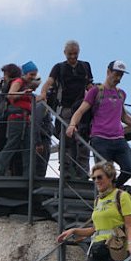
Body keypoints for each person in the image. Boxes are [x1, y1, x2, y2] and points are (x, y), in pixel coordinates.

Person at [65, 61, 131, 187]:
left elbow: (124, 117)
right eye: (116, 74)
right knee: (104, 173)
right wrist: (72, 125)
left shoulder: (121, 94)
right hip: (100, 138)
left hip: (118, 138)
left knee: (129, 169)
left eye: (121, 75)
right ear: (108, 72)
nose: (118, 78)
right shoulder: (96, 91)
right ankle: (106, 192)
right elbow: (80, 111)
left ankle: (113, 189)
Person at [39, 40, 94, 180]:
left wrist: (98, 95)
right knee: (67, 140)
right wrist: (43, 93)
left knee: (83, 140)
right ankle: (66, 170)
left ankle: (83, 171)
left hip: (82, 108)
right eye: (70, 54)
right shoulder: (59, 67)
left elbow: (89, 85)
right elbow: (49, 81)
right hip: (66, 108)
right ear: (65, 53)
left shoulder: (85, 66)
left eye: (75, 54)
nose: (73, 57)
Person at [0, 61, 41, 179]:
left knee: (28, 146)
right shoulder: (19, 81)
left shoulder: (26, 84)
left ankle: (29, 175)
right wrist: (24, 93)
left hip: (25, 118)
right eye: (31, 74)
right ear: (25, 73)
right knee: (12, 144)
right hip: (17, 117)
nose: (33, 77)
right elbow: (10, 95)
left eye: (34, 74)